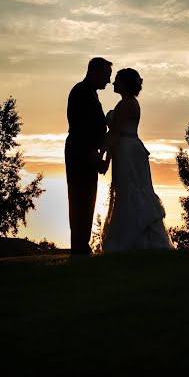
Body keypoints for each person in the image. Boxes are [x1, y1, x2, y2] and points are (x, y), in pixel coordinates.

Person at [99, 68, 175, 252]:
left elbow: (115, 132)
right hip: (125, 148)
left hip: (127, 151)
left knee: (130, 190)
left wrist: (103, 157)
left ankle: (130, 241)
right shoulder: (126, 103)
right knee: (127, 189)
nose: (113, 83)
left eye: (117, 80)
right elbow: (115, 134)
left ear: (125, 83)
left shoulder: (127, 104)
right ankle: (138, 240)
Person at [64, 57, 112, 256]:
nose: (108, 81)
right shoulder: (80, 92)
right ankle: (79, 247)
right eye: (106, 75)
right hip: (80, 153)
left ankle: (81, 245)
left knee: (88, 197)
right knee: (79, 197)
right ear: (96, 72)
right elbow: (79, 125)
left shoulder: (90, 93)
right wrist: (91, 152)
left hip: (88, 152)